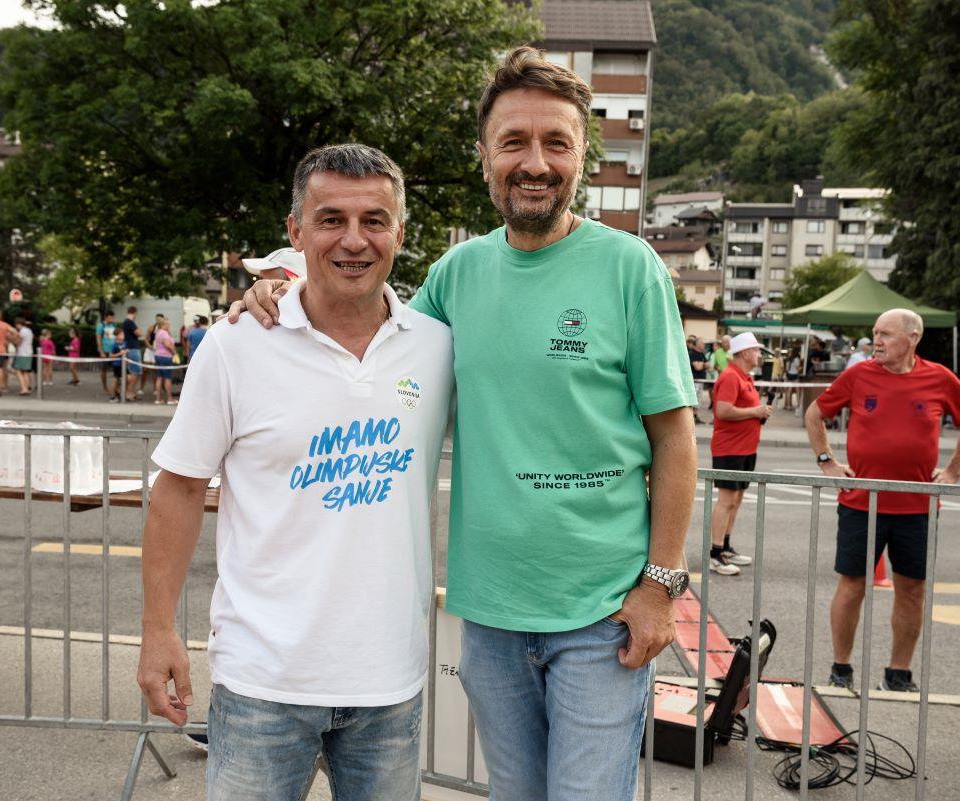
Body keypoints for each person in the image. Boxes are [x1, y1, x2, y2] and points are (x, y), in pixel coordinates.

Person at [233, 47, 698, 800]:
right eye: (514, 142)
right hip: (492, 615)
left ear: (582, 157)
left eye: (556, 143)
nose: (535, 163)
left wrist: (660, 584)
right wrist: (284, 285)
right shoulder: (457, 273)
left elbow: (673, 438)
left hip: (605, 611)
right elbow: (374, 337)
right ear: (484, 157)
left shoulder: (629, 266)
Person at [138, 143, 454, 799]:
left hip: (389, 682)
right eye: (331, 219)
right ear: (296, 230)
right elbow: (179, 487)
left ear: (400, 232)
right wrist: (157, 630)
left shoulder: (436, 346)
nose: (354, 240)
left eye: (374, 220)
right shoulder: (236, 344)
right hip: (263, 683)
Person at [807, 308, 960, 693]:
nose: (877, 341)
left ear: (913, 338)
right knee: (852, 585)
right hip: (861, 503)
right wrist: (826, 461)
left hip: (916, 508)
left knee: (912, 590)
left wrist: (954, 471)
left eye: (885, 334)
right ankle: (840, 668)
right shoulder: (858, 375)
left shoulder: (940, 378)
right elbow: (815, 413)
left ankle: (898, 674)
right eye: (875, 333)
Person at [708, 332, 773, 575]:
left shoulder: (744, 377)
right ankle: (715, 555)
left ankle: (725, 547)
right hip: (730, 449)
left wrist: (758, 412)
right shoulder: (730, 377)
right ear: (745, 353)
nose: (759, 354)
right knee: (726, 501)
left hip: (745, 448)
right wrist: (756, 412)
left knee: (735, 500)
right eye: (756, 350)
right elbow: (723, 411)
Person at [151, 318, 176, 405]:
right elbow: (167, 344)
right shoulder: (164, 333)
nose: (168, 326)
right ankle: (169, 399)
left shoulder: (158, 332)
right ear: (162, 325)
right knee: (168, 378)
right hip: (165, 356)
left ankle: (158, 399)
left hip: (158, 355)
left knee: (159, 377)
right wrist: (174, 353)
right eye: (167, 324)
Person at [120, 307, 142, 401]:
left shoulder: (125, 322)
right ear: (134, 312)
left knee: (133, 372)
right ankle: (129, 393)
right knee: (135, 372)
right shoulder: (130, 322)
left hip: (130, 348)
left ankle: (131, 392)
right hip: (133, 349)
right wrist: (139, 329)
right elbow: (139, 333)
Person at [96, 310, 117, 397]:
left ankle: (115, 388)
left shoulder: (113, 325)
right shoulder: (101, 325)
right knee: (104, 369)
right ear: (106, 317)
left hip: (113, 351)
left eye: (113, 317)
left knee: (116, 369)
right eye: (110, 317)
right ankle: (105, 387)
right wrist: (101, 352)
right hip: (104, 351)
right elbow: (98, 338)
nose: (112, 319)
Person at [12, 318, 34, 395]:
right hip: (29, 353)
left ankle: (24, 389)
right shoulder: (29, 330)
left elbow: (18, 343)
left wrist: (13, 339)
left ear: (18, 324)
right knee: (25, 372)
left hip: (22, 353)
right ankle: (27, 388)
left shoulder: (22, 331)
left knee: (18, 371)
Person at [106, 328, 124, 401]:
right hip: (117, 365)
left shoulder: (123, 343)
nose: (123, 335)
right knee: (116, 380)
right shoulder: (114, 345)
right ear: (117, 335)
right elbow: (110, 355)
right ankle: (113, 396)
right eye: (121, 334)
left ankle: (118, 393)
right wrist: (120, 353)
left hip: (123, 364)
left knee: (122, 380)